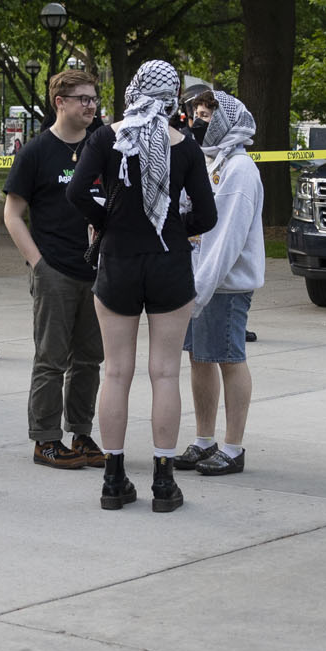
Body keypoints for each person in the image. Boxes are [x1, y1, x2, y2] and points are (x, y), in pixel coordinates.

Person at [73, 59, 220, 511]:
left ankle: (114, 480)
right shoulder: (186, 144)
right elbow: (208, 216)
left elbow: (77, 192)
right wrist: (177, 226)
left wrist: (108, 221)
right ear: (173, 95)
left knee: (116, 372)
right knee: (165, 373)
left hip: (118, 258)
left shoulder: (105, 137)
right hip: (169, 262)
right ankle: (163, 481)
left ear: (135, 88)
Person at [5, 68, 108, 470]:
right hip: (55, 271)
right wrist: (39, 264)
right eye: (82, 98)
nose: (90, 105)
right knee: (51, 358)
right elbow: (13, 214)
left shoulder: (101, 148)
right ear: (59, 102)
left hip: (97, 271)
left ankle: (81, 433)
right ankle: (46, 439)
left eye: (94, 98)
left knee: (90, 359)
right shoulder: (36, 152)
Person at [176, 91, 265, 477]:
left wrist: (202, 287)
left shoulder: (240, 169)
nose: (199, 123)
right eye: (196, 115)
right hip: (198, 281)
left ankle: (233, 447)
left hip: (223, 285)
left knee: (230, 359)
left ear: (226, 121)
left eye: (207, 117)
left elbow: (226, 237)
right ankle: (204, 440)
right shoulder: (211, 161)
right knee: (199, 359)